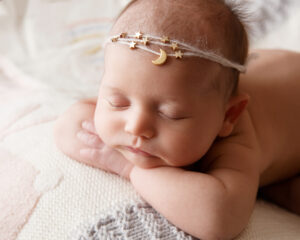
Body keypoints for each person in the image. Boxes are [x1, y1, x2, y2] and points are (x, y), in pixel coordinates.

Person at [54, 0, 300, 239]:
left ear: (228, 116)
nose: (136, 126)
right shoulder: (168, 88)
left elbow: (219, 218)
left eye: (170, 114)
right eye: (118, 102)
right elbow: (70, 125)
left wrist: (128, 168)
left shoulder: (238, 139)